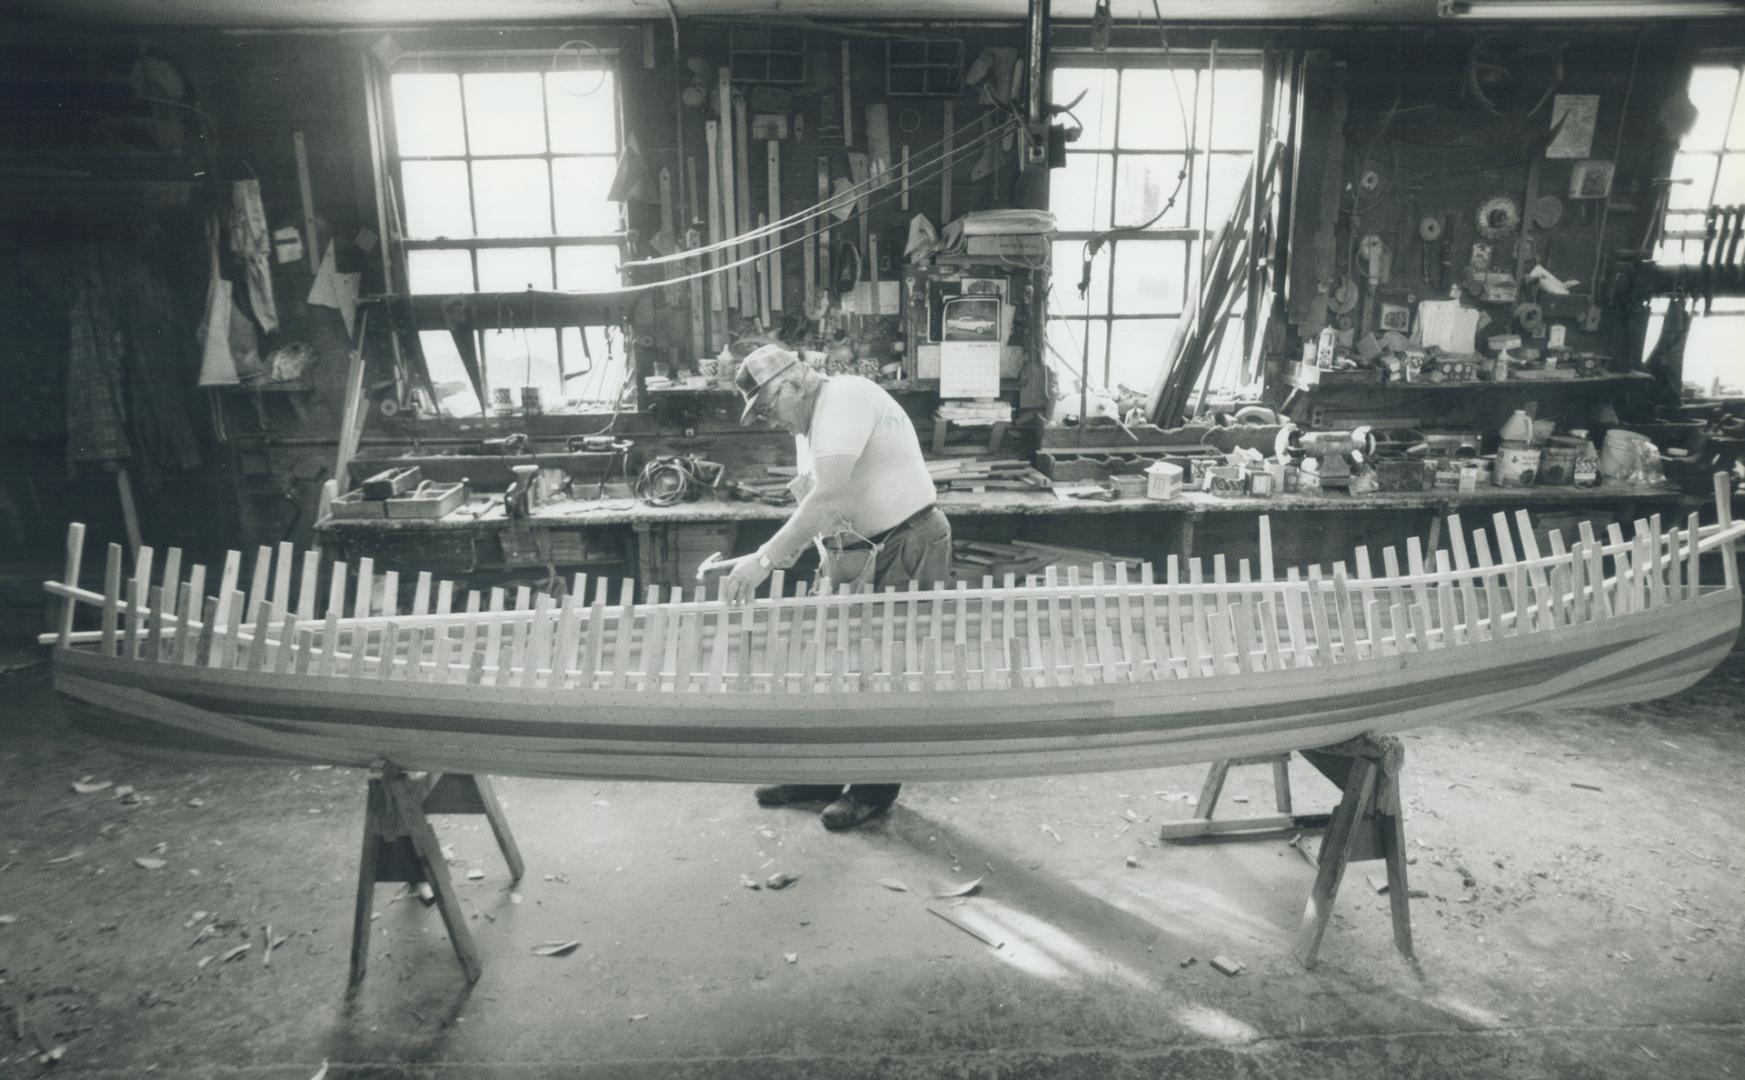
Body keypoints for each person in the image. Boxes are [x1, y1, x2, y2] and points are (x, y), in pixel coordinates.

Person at [722, 343, 952, 830]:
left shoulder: (844, 398)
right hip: (854, 551)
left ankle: (873, 790)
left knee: (886, 672)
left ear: (792, 383)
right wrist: (784, 551)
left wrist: (765, 560)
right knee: (831, 666)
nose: (768, 419)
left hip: (905, 541)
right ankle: (821, 776)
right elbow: (818, 510)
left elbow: (828, 497)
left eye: (767, 407)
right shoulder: (809, 423)